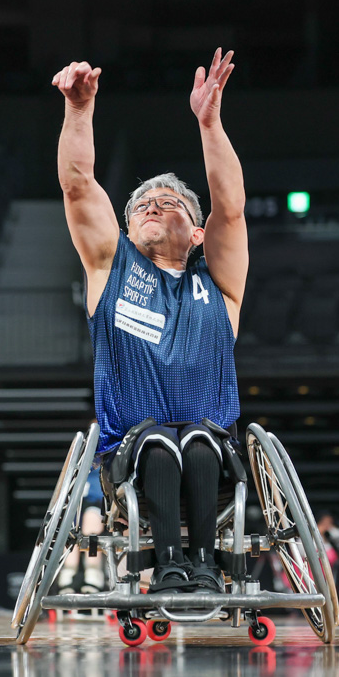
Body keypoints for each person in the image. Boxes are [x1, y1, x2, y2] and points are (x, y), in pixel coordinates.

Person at [54, 47, 247, 594]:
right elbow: (77, 184)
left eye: (168, 203)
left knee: (199, 442)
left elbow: (231, 206)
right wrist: (78, 109)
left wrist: (209, 124)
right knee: (160, 442)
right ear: (127, 229)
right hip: (131, 454)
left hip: (213, 451)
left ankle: (205, 566)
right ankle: (167, 567)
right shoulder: (110, 267)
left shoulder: (219, 283)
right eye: (140, 206)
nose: (151, 207)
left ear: (198, 233)